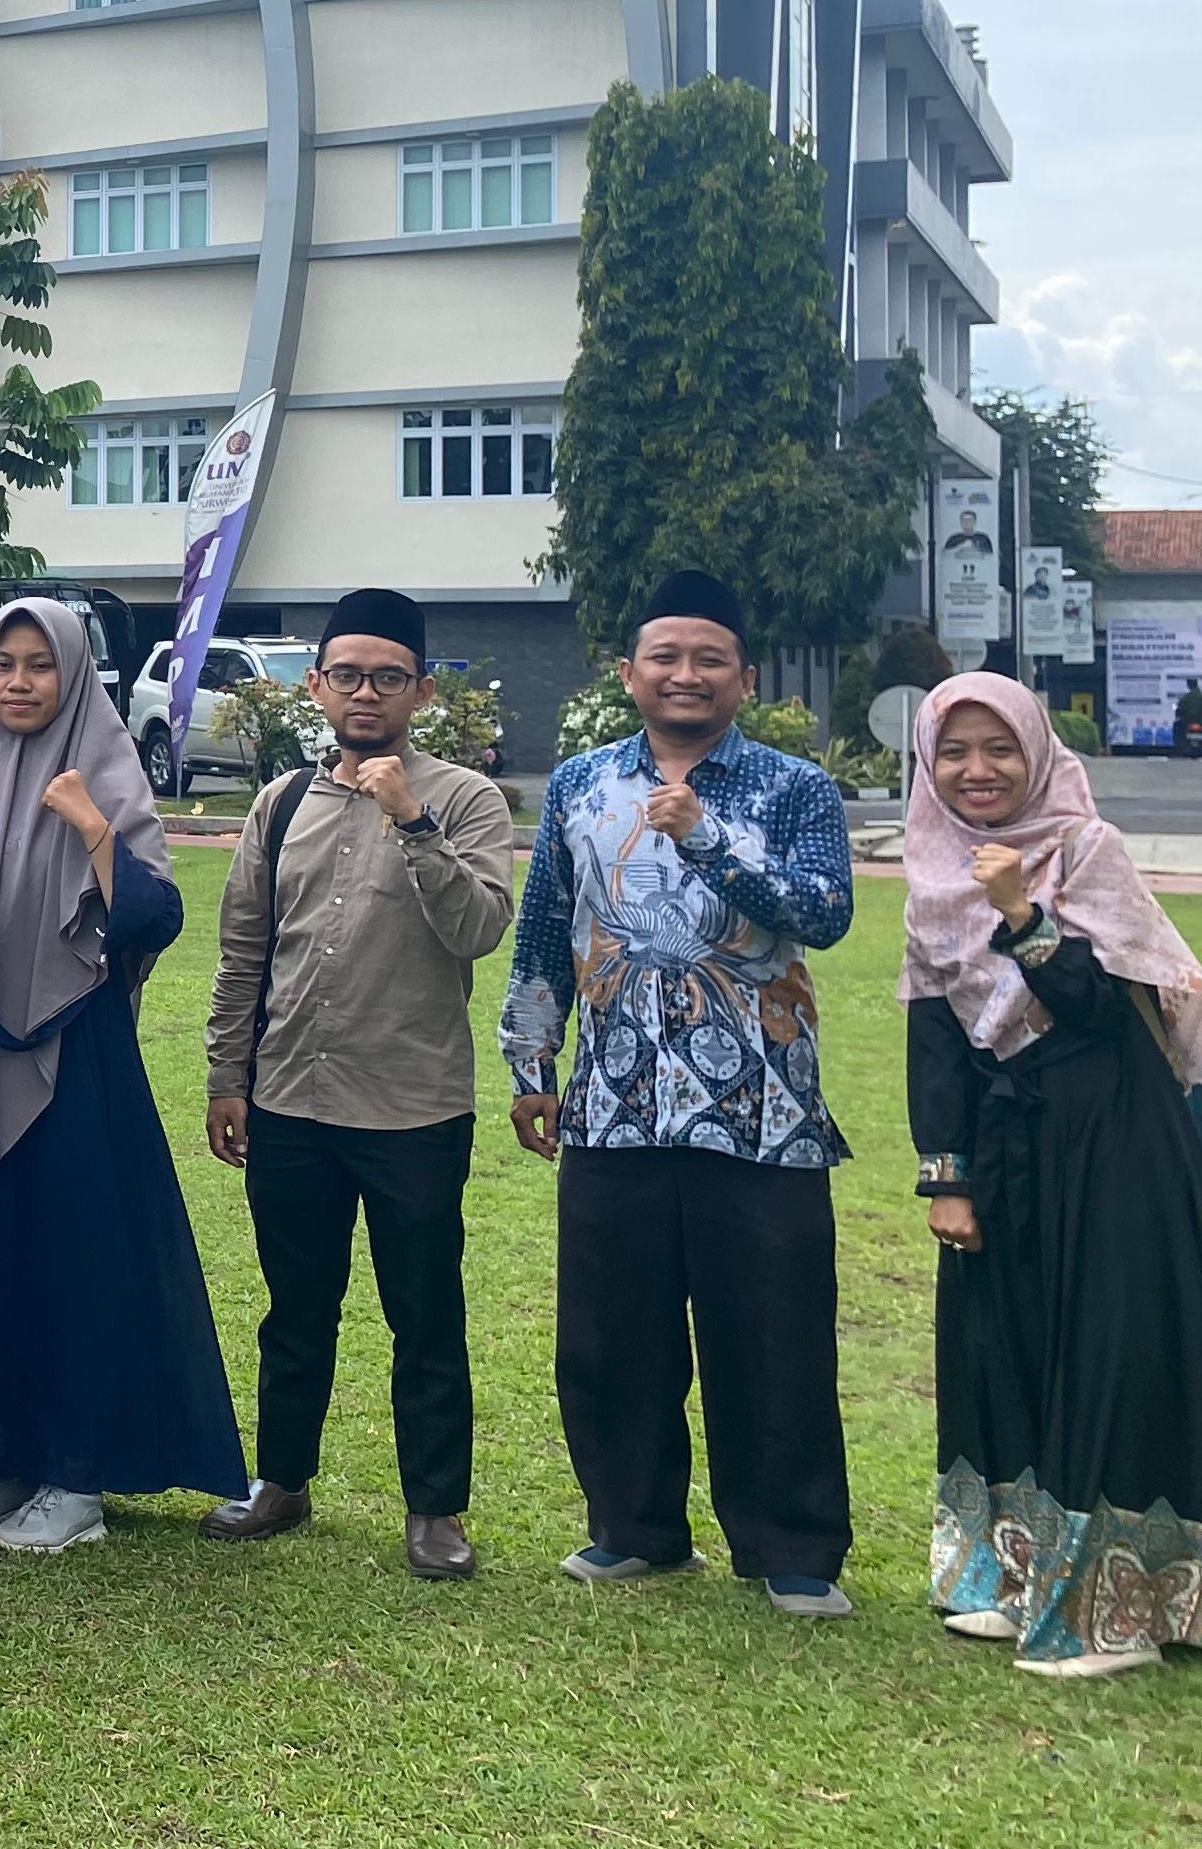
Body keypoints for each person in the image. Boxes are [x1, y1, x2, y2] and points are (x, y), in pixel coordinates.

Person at [502, 568, 858, 1618]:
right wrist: (533, 1065)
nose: (686, 674)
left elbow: (825, 912)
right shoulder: (578, 784)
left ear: (744, 678)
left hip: (763, 1110)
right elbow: (543, 930)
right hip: (615, 1103)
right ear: (629, 674)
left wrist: (704, 834)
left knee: (775, 1334)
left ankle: (792, 1547)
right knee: (612, 1333)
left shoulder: (794, 789)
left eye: (709, 659)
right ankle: (633, 1528)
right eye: (666, 656)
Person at [197, 588, 516, 1580]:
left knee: (423, 1312)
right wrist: (226, 1072)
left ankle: (435, 1512)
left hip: (413, 1108)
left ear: (421, 690)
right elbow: (246, 943)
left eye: (387, 677)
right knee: (297, 1305)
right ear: (317, 686)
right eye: (346, 675)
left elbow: (478, 930)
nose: (365, 693)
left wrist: (412, 820)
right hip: (290, 1098)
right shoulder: (280, 801)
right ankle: (282, 1481)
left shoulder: (464, 798)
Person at [0, 597, 245, 1552]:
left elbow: (156, 918)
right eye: (2, 665)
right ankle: (14, 1454)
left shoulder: (101, 768)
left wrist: (94, 831)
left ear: (74, 676)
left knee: (79, 1260)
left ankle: (79, 1479)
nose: (18, 683)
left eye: (39, 665)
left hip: (77, 1058)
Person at [900, 673, 1202, 1675]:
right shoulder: (933, 869)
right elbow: (936, 1037)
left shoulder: (1085, 848)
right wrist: (948, 1175)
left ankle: (1117, 1609)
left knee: (1108, 1350)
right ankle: (1014, 1570)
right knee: (1001, 1342)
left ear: (1037, 753)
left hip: (1114, 1134)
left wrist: (1022, 911)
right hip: (1010, 1139)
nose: (978, 772)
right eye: (955, 752)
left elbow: (1111, 1012)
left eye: (1000, 750)